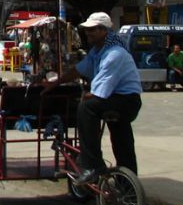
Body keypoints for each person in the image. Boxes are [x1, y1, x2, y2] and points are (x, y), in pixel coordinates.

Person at [43, 12, 142, 185]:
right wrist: (56, 82)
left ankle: (93, 165)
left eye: (92, 30)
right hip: (116, 99)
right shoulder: (98, 51)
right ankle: (127, 184)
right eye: (87, 30)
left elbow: (99, 91)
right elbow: (79, 70)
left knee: (87, 107)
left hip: (127, 101)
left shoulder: (115, 54)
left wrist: (86, 96)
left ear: (104, 31)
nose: (88, 33)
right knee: (121, 138)